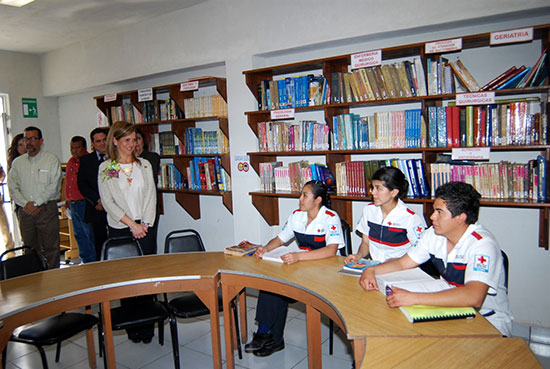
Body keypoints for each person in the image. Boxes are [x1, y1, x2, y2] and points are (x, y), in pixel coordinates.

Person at [359, 181, 513, 336]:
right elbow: (403, 263)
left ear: (460, 217)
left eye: (440, 212)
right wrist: (372, 270)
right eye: (434, 210)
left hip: (486, 319)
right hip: (447, 308)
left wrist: (413, 298)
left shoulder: (482, 244)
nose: (432, 217)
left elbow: (474, 297)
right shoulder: (433, 234)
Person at [242, 180, 345, 357]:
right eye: (301, 194)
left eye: (305, 195)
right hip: (303, 267)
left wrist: (298, 256)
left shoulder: (330, 217)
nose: (300, 199)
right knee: (272, 285)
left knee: (279, 290)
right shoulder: (297, 216)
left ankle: (268, 336)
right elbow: (281, 238)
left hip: (325, 272)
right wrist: (265, 248)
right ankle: (269, 336)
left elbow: (331, 250)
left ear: (318, 199)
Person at [98, 121, 157, 343]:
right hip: (121, 229)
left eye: (134, 140)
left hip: (146, 227)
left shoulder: (144, 166)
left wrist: (145, 224)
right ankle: (133, 327)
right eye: (127, 140)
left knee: (146, 278)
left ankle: (148, 325)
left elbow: (151, 195)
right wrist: (132, 224)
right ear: (115, 141)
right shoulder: (108, 168)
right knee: (128, 280)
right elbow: (109, 202)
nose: (132, 144)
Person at [345, 166, 426, 264]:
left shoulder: (410, 218)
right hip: (375, 267)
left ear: (394, 192)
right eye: (372, 187)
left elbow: (420, 253)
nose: (372, 192)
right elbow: (366, 243)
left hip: (400, 271)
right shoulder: (369, 210)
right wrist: (359, 255)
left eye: (378, 188)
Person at [7, 126, 62, 269]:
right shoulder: (18, 163)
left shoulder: (51, 160)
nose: (29, 142)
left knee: (52, 248)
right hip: (25, 212)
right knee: (30, 249)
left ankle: (55, 280)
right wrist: (26, 204)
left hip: (46, 210)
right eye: (26, 139)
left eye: (32, 139)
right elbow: (13, 187)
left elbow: (54, 186)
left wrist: (36, 203)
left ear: (41, 141)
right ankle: (36, 281)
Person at [77, 127, 109, 261]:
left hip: (115, 208)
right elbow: (82, 184)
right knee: (99, 243)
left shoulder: (115, 158)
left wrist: (107, 200)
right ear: (92, 144)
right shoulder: (86, 160)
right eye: (98, 141)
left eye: (104, 140)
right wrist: (97, 200)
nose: (102, 144)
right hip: (96, 208)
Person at [65, 136, 95, 263]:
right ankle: (84, 260)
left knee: (89, 234)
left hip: (84, 203)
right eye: (72, 148)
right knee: (78, 234)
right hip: (73, 204)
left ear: (84, 148)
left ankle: (93, 261)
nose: (74, 151)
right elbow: (68, 182)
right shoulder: (71, 161)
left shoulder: (88, 161)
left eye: (77, 148)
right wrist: (67, 200)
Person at [135, 128, 160, 255]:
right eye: (131, 140)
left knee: (148, 247)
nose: (136, 143)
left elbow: (149, 180)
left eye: (138, 139)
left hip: (149, 209)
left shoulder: (151, 158)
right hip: (131, 212)